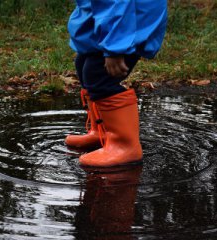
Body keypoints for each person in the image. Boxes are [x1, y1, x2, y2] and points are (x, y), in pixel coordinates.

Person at [65, 0, 167, 167]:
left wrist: (115, 48)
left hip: (128, 24)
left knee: (99, 77)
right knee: (83, 64)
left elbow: (115, 4)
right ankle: (102, 132)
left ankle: (125, 147)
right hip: (111, 19)